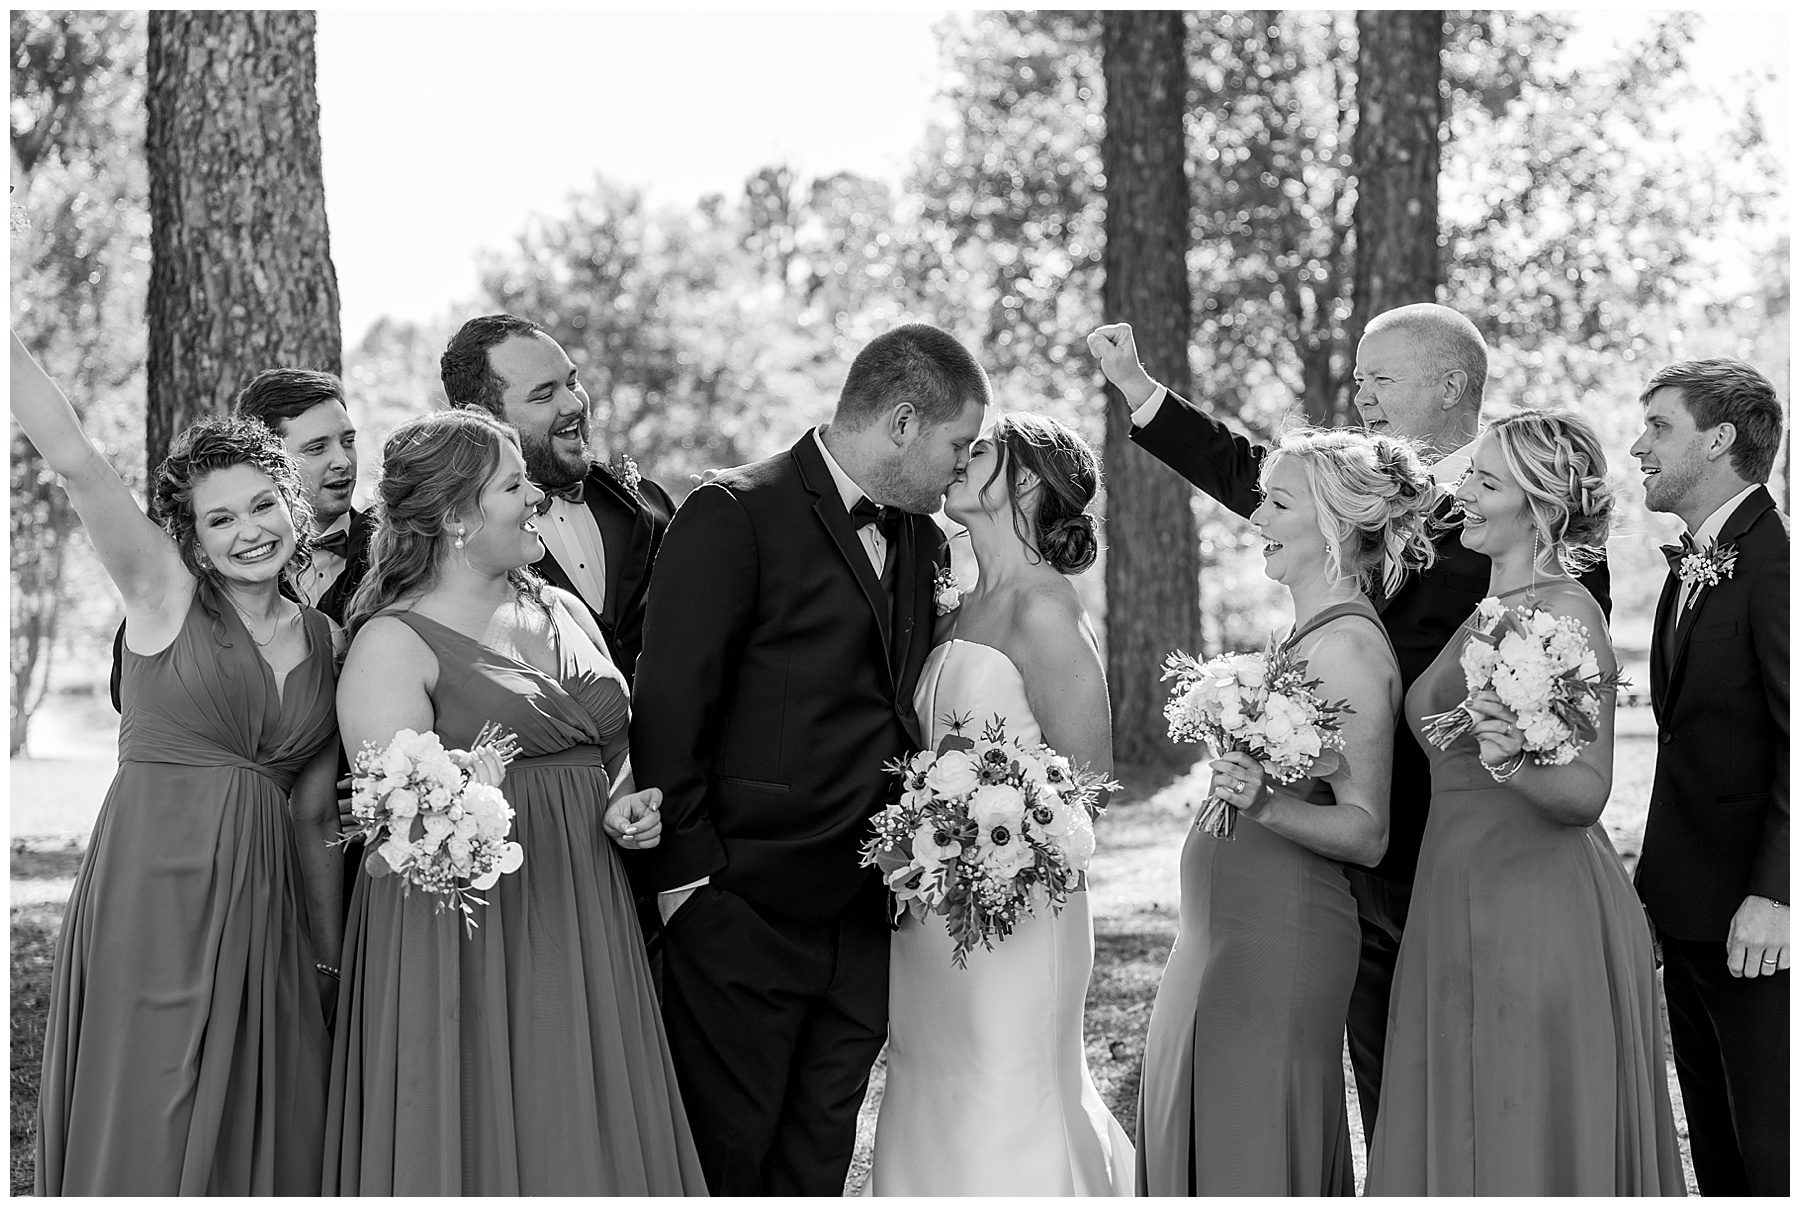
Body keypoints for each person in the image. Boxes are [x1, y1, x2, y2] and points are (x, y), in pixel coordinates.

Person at [1088, 308, 1611, 1136]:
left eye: (1381, 380)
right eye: (1360, 379)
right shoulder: (1361, 490)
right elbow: (1265, 479)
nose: (1362, 397)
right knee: (1385, 1087)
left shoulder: (1531, 524)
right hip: (1352, 839)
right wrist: (1142, 392)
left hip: (1468, 842)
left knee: (1472, 1087)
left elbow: (1562, 695)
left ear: (1450, 385)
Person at [631, 322, 989, 1195]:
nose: (961, 467)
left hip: (865, 919)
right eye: (958, 444)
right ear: (902, 423)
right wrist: (690, 890)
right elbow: (671, 704)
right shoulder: (734, 511)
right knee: (728, 1161)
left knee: (817, 1164)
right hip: (742, 913)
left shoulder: (925, 540)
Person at [321, 408, 705, 1194]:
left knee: (585, 1121)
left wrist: (625, 803)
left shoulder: (562, 609)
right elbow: (403, 826)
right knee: (485, 1122)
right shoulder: (393, 643)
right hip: (466, 932)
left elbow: (613, 753)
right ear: (457, 517)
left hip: (585, 901)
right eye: (512, 484)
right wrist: (473, 792)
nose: (536, 495)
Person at [15, 332, 341, 1195]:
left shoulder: (328, 639)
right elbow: (76, 459)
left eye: (263, 505)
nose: (249, 531)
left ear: (292, 503)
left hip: (265, 909)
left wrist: (329, 960)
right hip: (151, 895)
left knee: (264, 1120)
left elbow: (313, 816)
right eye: (220, 519)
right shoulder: (162, 593)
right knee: (151, 1114)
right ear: (191, 538)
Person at [1365, 411, 1684, 1195]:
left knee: (1519, 1133)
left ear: (1538, 504)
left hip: (1534, 910)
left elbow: (1587, 793)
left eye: (1485, 482)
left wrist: (1509, 761)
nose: (1463, 494)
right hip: (1456, 894)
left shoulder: (1566, 612)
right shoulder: (1487, 605)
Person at [1136, 429, 1433, 1195]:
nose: (1257, 517)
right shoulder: (1302, 635)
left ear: (1333, 523)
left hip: (1280, 935)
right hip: (1223, 929)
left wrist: (1263, 803)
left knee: (1250, 1142)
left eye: (1278, 502)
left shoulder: (1351, 651)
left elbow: (1368, 831)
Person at [861, 413, 1133, 1195]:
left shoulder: (1045, 609)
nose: (957, 459)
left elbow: (1090, 786)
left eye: (979, 450)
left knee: (1006, 1090)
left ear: (1025, 482)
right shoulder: (953, 606)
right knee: (931, 1088)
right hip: (930, 904)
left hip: (1019, 908)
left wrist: (993, 845)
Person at [1629, 359, 1787, 1196]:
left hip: (1757, 926)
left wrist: (1778, 894)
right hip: (1687, 914)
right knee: (1720, 1161)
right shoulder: (1693, 560)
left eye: (1659, 426)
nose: (1638, 446)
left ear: (1720, 438)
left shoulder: (1778, 561)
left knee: (1773, 1154)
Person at [107, 367, 371, 709]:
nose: (342, 461)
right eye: (317, 448)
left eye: (348, 441)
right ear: (270, 460)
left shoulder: (393, 548)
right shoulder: (198, 573)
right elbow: (132, 689)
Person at [440, 313, 675, 685]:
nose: (574, 404)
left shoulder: (649, 503)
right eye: (544, 394)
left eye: (572, 382)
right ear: (481, 418)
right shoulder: (455, 542)